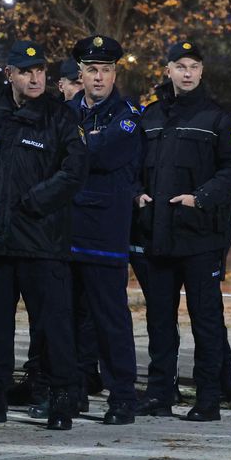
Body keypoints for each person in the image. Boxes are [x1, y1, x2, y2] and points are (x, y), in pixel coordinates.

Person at [0, 41, 88, 430]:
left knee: (52, 326)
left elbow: (73, 172)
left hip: (41, 240)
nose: (36, 78)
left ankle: (59, 396)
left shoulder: (60, 117)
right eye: (27, 71)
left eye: (40, 71)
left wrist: (33, 202)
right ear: (10, 74)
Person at [133, 42, 231, 422]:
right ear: (167, 70)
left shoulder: (218, 118)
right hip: (158, 235)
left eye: (194, 66)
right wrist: (137, 194)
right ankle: (160, 394)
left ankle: (208, 398)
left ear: (201, 71)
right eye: (180, 66)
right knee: (160, 320)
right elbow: (132, 167)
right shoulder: (149, 117)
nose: (187, 73)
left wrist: (200, 198)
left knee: (205, 319)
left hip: (200, 236)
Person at [65, 35, 141, 425]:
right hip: (66, 231)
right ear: (80, 73)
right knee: (71, 316)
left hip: (105, 232)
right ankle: (73, 391)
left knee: (110, 317)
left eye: (106, 70)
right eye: (92, 70)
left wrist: (74, 149)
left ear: (115, 73)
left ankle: (122, 397)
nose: (99, 77)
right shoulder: (65, 111)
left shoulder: (128, 114)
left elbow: (102, 154)